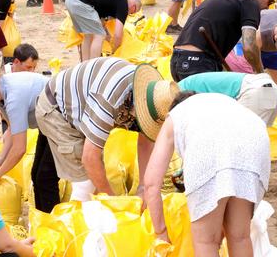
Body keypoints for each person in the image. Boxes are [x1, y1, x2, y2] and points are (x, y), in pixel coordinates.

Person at [144, 91, 269, 256]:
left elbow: (151, 184)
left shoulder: (175, 117)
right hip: (254, 137)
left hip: (210, 147)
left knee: (206, 241)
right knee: (240, 237)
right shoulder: (218, 102)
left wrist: (161, 234)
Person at [35, 59, 178, 202]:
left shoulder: (155, 94)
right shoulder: (110, 99)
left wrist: (143, 188)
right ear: (137, 105)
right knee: (85, 184)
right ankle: (73, 221)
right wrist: (112, 201)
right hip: (58, 108)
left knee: (85, 181)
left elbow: (145, 143)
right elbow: (89, 158)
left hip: (84, 108)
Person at [170, 0, 277, 81]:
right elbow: (249, 47)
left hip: (177, 60)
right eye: (270, 1)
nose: (267, 7)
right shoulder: (250, 2)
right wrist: (260, 75)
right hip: (198, 62)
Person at [0, 71, 55, 210]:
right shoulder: (0, 96)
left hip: (59, 120)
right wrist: (0, 162)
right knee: (36, 174)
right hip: (46, 120)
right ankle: (43, 222)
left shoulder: (13, 98)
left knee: (46, 177)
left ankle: (52, 225)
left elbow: (19, 149)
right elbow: (12, 129)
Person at [65, 0, 141, 60]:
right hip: (80, 1)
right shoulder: (124, 4)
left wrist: (107, 34)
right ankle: (92, 66)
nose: (129, 14)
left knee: (89, 35)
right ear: (133, 7)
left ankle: (85, 65)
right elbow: (118, 35)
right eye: (132, 13)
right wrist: (115, 51)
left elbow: (100, 22)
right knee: (99, 36)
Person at [177, 72, 277, 124]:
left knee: (238, 138)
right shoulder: (188, 84)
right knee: (256, 136)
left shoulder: (182, 93)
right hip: (270, 88)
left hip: (254, 91)